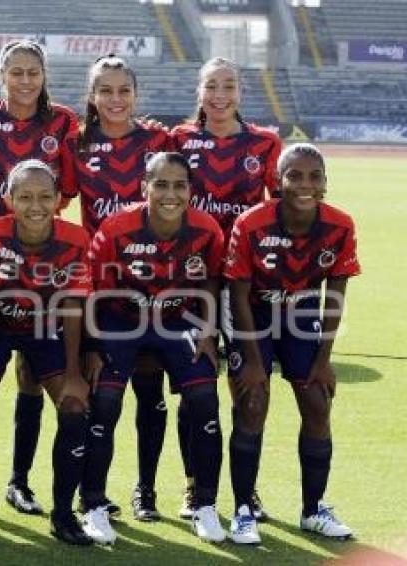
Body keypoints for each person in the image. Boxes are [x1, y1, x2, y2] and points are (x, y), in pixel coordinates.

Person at [0, 39, 78, 516]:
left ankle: (20, 482)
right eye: (16, 72)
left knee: (33, 373)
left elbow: (66, 186)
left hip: (44, 250)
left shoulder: (63, 121)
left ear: (43, 75)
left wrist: (37, 221)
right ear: (1, 74)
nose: (25, 80)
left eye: (33, 72)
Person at [82, 152, 226, 544]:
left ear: (191, 191)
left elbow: (212, 280)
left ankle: (205, 504)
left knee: (205, 400)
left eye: (179, 185)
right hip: (119, 321)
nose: (170, 193)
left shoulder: (207, 228)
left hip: (176, 321)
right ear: (144, 187)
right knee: (105, 403)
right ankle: (92, 504)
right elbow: (91, 290)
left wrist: (209, 333)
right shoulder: (116, 228)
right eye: (160, 184)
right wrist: (92, 346)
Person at [223, 143, 359, 544]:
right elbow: (237, 292)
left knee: (317, 401)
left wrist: (324, 360)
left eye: (314, 176)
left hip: (301, 315)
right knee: (252, 402)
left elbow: (334, 295)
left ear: (325, 184)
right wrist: (250, 359)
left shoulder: (340, 226)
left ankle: (313, 509)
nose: (305, 184)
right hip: (253, 315)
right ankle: (244, 510)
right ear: (277, 182)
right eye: (294, 176)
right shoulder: (251, 224)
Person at [0, 159, 92, 545]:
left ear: (59, 200)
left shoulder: (76, 238)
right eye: (26, 197)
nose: (36, 205)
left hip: (44, 328)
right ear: (9, 200)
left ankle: (64, 515)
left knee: (74, 405)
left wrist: (72, 372)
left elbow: (73, 305)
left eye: (45, 196)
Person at [61, 54, 173, 521]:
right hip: (102, 289)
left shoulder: (158, 141)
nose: (115, 99)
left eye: (123, 90)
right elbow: (53, 200)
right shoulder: (76, 144)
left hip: (157, 285)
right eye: (105, 91)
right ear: (92, 96)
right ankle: (95, 494)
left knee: (151, 389)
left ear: (136, 94)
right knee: (101, 394)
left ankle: (145, 490)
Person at [171, 56, 282, 521]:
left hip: (244, 284)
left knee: (246, 386)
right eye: (212, 85)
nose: (220, 94)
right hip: (189, 279)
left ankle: (245, 490)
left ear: (241, 91)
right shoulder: (177, 140)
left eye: (229, 85)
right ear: (199, 91)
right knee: (193, 384)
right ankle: (195, 485)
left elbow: (278, 211)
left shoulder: (265, 143)